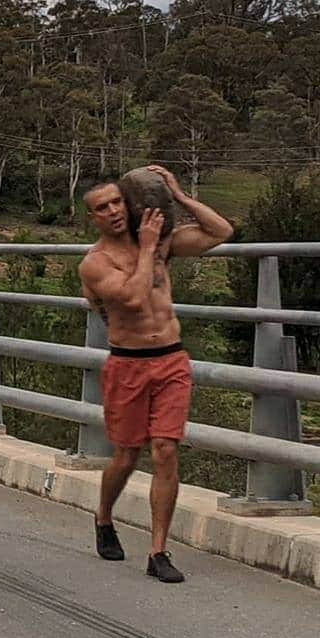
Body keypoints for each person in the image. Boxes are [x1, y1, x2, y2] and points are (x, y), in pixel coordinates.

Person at [79, 164, 233, 583]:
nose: (112, 211)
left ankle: (158, 551)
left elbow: (221, 232)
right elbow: (130, 298)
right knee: (127, 455)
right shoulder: (96, 262)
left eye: (116, 202)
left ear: (127, 204)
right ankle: (104, 516)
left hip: (171, 360)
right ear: (92, 217)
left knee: (165, 449)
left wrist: (179, 197)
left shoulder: (161, 245)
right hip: (127, 365)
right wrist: (147, 247)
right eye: (101, 207)